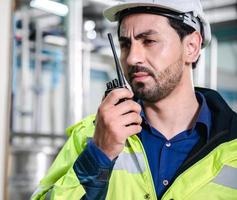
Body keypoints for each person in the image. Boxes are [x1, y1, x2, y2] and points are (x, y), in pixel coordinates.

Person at [31, 0, 237, 199]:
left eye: (149, 41)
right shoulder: (90, 135)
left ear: (191, 46)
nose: (131, 58)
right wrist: (98, 156)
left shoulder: (233, 146)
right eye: (125, 44)